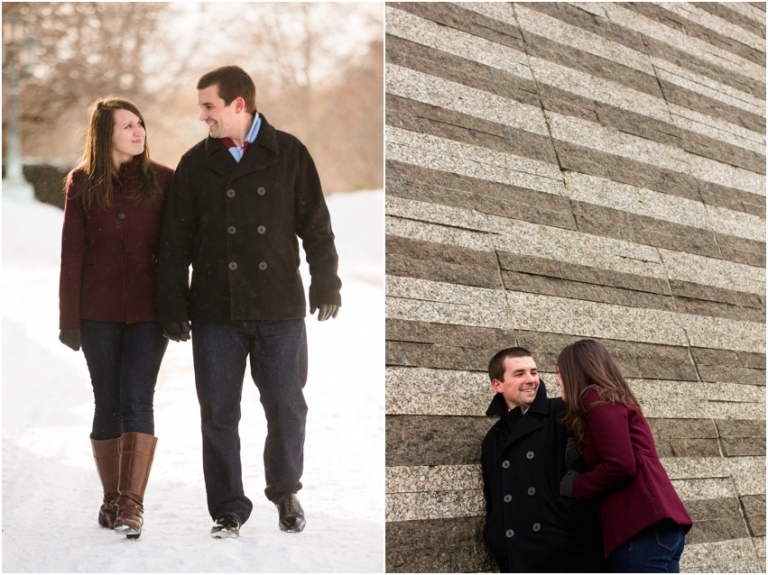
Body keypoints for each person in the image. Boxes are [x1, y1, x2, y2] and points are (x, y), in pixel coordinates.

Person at [156, 65, 341, 538]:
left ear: (239, 104)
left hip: (279, 307)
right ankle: (228, 508)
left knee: (287, 408)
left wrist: (326, 283)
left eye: (209, 106)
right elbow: (174, 242)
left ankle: (285, 491)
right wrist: (173, 304)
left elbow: (316, 226)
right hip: (215, 310)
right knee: (218, 414)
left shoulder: (289, 153)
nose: (202, 116)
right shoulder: (195, 163)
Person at [58, 97, 174, 539]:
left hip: (149, 312)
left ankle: (131, 505)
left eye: (139, 123)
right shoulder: (82, 183)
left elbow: (176, 250)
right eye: (127, 125)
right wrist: (69, 318)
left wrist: (178, 307)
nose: (137, 131)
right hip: (97, 311)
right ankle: (111, 500)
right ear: (105, 133)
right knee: (107, 401)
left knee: (137, 399)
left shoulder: (164, 180)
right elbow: (72, 253)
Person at [556, 339, 693, 573]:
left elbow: (620, 465)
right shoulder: (613, 399)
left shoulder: (595, 398)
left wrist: (577, 486)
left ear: (573, 373)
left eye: (559, 373)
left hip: (640, 528)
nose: (557, 380)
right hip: (658, 528)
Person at [481, 347, 606, 572]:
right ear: (498, 385)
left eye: (534, 372)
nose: (531, 380)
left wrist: (562, 518)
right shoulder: (493, 439)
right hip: (517, 556)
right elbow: (493, 497)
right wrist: (495, 534)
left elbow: (586, 466)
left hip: (568, 552)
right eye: (519, 374)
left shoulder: (563, 411)